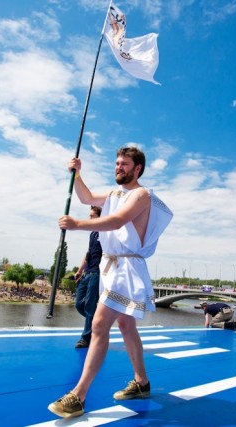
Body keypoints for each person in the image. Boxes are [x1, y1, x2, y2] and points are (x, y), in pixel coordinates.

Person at [48, 146, 173, 419]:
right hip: (111, 265)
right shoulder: (115, 194)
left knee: (99, 324)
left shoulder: (141, 195)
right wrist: (77, 174)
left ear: (137, 168)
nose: (118, 167)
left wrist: (77, 225)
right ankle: (142, 382)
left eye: (124, 163)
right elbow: (87, 197)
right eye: (117, 163)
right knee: (126, 326)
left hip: (126, 267)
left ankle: (78, 396)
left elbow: (117, 221)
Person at [72, 206, 103, 349]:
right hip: (86, 274)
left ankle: (86, 338)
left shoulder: (105, 233)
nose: (89, 218)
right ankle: (97, 323)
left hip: (97, 273)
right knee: (79, 304)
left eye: (92, 216)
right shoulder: (92, 234)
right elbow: (88, 254)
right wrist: (79, 271)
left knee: (90, 307)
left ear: (99, 217)